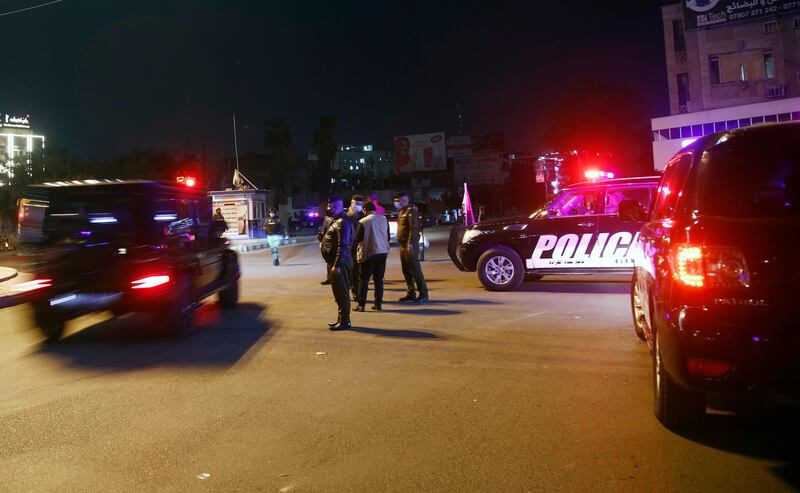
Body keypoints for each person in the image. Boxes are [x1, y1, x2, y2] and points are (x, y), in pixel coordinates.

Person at [320, 195, 353, 330]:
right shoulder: (336, 220)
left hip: (340, 263)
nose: (330, 209)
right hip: (334, 262)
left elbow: (343, 245)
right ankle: (341, 318)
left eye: (332, 206)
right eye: (329, 206)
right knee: (338, 293)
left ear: (339, 206)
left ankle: (345, 321)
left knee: (342, 292)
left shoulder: (342, 222)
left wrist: (337, 265)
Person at [355, 199, 390, 311]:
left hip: (370, 253)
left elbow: (358, 239)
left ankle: (361, 305)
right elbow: (388, 236)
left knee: (364, 279)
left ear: (365, 209)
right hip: (383, 252)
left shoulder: (363, 221)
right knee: (378, 280)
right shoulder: (384, 219)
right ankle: (378, 304)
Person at [394, 191, 428, 302]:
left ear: (408, 200)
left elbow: (414, 229)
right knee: (406, 271)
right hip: (402, 246)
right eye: (400, 200)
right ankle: (411, 293)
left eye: (403, 200)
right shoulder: (400, 212)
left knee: (415, 270)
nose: (401, 202)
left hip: (410, 246)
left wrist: (409, 243)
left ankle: (423, 294)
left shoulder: (411, 211)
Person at [347, 194, 366, 301]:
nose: (358, 206)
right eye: (356, 203)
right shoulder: (347, 216)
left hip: (360, 246)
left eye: (360, 204)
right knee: (350, 270)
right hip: (349, 247)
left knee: (358, 271)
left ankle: (357, 292)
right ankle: (351, 290)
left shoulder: (363, 216)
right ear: (351, 203)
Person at [317, 203, 334, 285]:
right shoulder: (326, 219)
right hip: (325, 241)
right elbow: (323, 228)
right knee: (328, 261)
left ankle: (334, 278)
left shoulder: (336, 219)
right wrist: (320, 235)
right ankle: (329, 278)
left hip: (332, 242)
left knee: (333, 262)